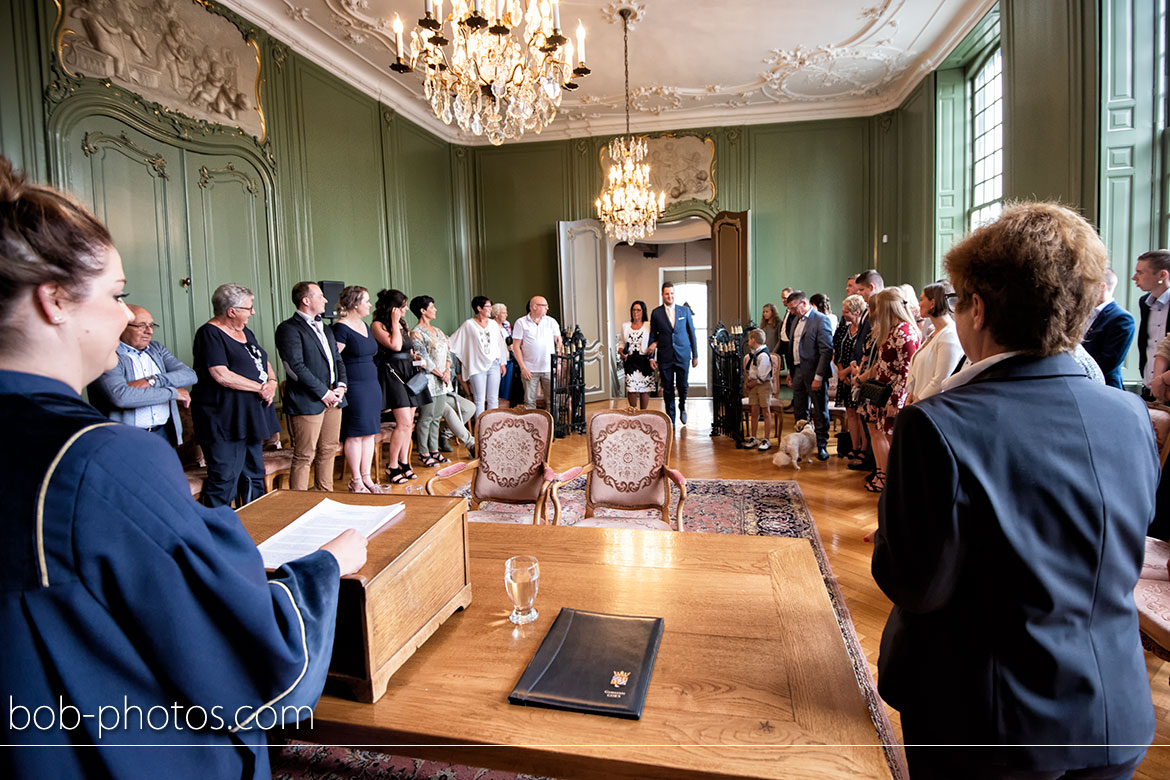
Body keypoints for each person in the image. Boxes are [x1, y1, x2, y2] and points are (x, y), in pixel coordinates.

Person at [0, 155, 367, 778]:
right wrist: (328, 564)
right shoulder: (100, 460)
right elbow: (252, 651)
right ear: (55, 300)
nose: (126, 316)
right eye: (116, 295)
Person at [873, 202, 1156, 779]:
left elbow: (914, 585)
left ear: (978, 308)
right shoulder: (1130, 416)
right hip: (1113, 714)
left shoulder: (938, 425)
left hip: (987, 725)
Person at [191, 283, 282, 507]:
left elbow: (262, 360)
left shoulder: (244, 331)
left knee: (253, 473)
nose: (252, 312)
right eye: (248, 308)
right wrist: (260, 388)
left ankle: (254, 524)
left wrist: (272, 382)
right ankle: (217, 531)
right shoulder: (209, 334)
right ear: (231, 311)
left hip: (249, 416)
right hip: (223, 419)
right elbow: (221, 374)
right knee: (225, 477)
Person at [88, 303, 196, 446]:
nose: (149, 331)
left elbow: (189, 375)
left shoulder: (156, 349)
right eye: (141, 325)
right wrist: (172, 392)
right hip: (125, 437)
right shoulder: (108, 355)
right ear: (121, 326)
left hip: (162, 433)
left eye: (151, 325)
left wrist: (152, 380)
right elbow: (121, 397)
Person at [275, 281, 347, 493]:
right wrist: (323, 392)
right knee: (305, 454)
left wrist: (341, 387)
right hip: (307, 400)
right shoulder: (288, 328)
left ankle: (325, 494)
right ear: (306, 300)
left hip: (335, 397)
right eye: (320, 296)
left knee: (328, 450)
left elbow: (337, 360)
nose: (326, 300)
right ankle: (299, 505)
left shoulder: (325, 327)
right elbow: (294, 367)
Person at [855, 287, 919, 493]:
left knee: (894, 443)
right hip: (883, 394)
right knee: (885, 437)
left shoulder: (904, 331)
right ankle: (889, 480)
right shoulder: (893, 330)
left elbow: (906, 370)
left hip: (893, 396)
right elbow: (883, 364)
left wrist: (895, 401)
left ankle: (896, 483)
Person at [332, 285, 383, 493]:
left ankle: (367, 477)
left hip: (372, 382)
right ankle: (356, 480)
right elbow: (335, 360)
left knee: (370, 433)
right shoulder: (341, 328)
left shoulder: (364, 324)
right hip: (354, 384)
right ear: (355, 303)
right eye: (366, 301)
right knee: (355, 433)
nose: (370, 304)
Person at [372, 288, 426, 485]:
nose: (404, 311)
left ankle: (405, 462)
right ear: (393, 308)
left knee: (410, 423)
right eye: (402, 307)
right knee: (402, 423)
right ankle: (392, 465)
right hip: (393, 375)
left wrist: (415, 357)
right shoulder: (378, 325)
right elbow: (394, 346)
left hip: (408, 371)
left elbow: (406, 348)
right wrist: (394, 323)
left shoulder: (402, 324)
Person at [784, 291, 834, 460]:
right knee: (799, 410)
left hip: (814, 373)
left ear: (804, 303)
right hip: (797, 371)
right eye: (789, 309)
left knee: (819, 410)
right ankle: (802, 446)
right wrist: (791, 372)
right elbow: (792, 347)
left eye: (793, 308)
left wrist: (818, 377)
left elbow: (826, 351)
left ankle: (821, 445)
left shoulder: (821, 320)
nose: (791, 312)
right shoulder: (796, 320)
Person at [410, 295, 458, 467]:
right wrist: (439, 373)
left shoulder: (438, 331)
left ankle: (434, 450)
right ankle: (423, 452)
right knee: (426, 417)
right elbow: (423, 359)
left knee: (437, 417)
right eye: (432, 307)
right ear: (423, 311)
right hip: (428, 380)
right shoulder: (416, 333)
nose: (435, 309)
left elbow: (447, 354)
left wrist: (446, 371)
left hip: (443, 380)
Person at [448, 295, 509, 417]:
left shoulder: (493, 324)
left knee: (493, 398)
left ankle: (493, 426)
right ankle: (480, 430)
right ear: (479, 308)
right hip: (476, 366)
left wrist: (502, 362)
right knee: (479, 399)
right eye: (487, 306)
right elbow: (452, 341)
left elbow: (500, 344)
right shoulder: (468, 325)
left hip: (494, 364)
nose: (490, 309)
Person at [648, 281, 698, 426]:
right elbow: (653, 335)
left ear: (674, 294)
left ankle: (682, 406)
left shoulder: (684, 311)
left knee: (683, 385)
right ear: (662, 295)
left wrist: (695, 355)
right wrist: (651, 356)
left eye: (672, 293)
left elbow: (692, 333)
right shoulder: (656, 313)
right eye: (667, 294)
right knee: (667, 388)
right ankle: (671, 419)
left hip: (683, 354)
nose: (670, 296)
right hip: (665, 356)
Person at [905, 282, 964, 403]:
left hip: (930, 405)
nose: (919, 304)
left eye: (922, 299)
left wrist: (916, 402)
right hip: (920, 402)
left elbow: (941, 380)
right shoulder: (933, 333)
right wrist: (911, 395)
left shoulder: (949, 336)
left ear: (932, 303)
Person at [1082, 267, 1135, 389]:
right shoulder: (1082, 314)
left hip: (1106, 387)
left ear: (1102, 287)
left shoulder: (1122, 319)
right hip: (1083, 386)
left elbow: (1109, 361)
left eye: (1086, 285)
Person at [512, 295, 562, 410]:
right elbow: (516, 346)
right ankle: (532, 427)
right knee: (529, 403)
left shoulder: (551, 321)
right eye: (544, 306)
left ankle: (553, 427)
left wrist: (558, 362)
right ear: (535, 307)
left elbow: (559, 343)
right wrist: (523, 367)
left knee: (553, 401)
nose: (547, 308)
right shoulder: (521, 322)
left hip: (549, 368)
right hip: (529, 369)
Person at [834, 294, 867, 460]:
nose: (843, 314)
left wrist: (847, 372)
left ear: (857, 312)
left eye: (846, 311)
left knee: (861, 414)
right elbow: (838, 353)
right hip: (845, 378)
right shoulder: (844, 329)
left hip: (857, 376)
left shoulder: (864, 329)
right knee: (851, 413)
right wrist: (841, 372)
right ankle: (854, 447)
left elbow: (862, 355)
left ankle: (864, 448)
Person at [1134, 249, 1170, 398]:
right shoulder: (1144, 303)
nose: (1134, 278)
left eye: (1140, 272)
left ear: (1162, 275)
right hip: (1148, 386)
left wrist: (1162, 379)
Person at [741, 328, 773, 450]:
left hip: (762, 385)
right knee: (754, 411)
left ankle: (766, 439)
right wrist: (748, 381)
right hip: (753, 385)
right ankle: (753, 437)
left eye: (749, 339)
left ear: (753, 340)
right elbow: (751, 370)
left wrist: (751, 383)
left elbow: (762, 376)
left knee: (765, 411)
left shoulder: (763, 355)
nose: (748, 341)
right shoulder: (753, 354)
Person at [619, 300, 654, 409]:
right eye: (634, 310)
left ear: (643, 311)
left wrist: (654, 346)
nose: (636, 312)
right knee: (631, 389)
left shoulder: (649, 325)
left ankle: (643, 413)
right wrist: (621, 351)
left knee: (644, 390)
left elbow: (656, 338)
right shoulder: (625, 326)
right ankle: (633, 414)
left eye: (638, 310)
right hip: (630, 361)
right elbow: (621, 342)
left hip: (644, 360)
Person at [492, 302, 516, 408]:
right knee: (497, 388)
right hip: (497, 361)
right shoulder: (491, 325)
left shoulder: (506, 324)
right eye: (503, 313)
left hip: (508, 359)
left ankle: (505, 410)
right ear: (496, 314)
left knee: (507, 388)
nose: (506, 315)